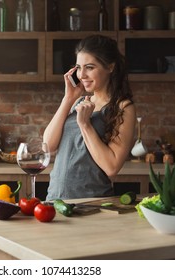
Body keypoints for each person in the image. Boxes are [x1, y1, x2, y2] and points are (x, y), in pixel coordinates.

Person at [44, 34, 136, 200]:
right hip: (55, 199)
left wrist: (85, 124)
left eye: (90, 67)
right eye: (79, 68)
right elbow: (47, 146)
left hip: (92, 203)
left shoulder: (123, 108)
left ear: (110, 67)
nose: (82, 75)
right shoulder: (78, 101)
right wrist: (68, 99)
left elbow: (112, 167)